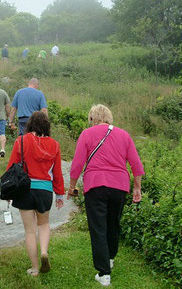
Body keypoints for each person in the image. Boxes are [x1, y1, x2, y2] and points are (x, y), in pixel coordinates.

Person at [67, 104, 144, 287]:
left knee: (98, 227)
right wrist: (137, 188)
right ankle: (109, 258)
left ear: (93, 118)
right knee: (113, 223)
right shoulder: (124, 135)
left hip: (96, 185)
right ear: (109, 117)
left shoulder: (87, 134)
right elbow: (136, 164)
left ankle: (104, 274)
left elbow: (77, 163)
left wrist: (72, 187)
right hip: (119, 186)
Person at [6, 111, 64, 277]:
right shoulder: (55, 145)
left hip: (24, 189)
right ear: (47, 126)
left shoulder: (21, 141)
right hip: (45, 190)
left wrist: (9, 192)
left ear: (30, 124)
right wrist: (59, 194)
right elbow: (58, 173)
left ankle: (35, 268)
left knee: (29, 230)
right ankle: (44, 251)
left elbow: (12, 167)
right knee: (44, 224)